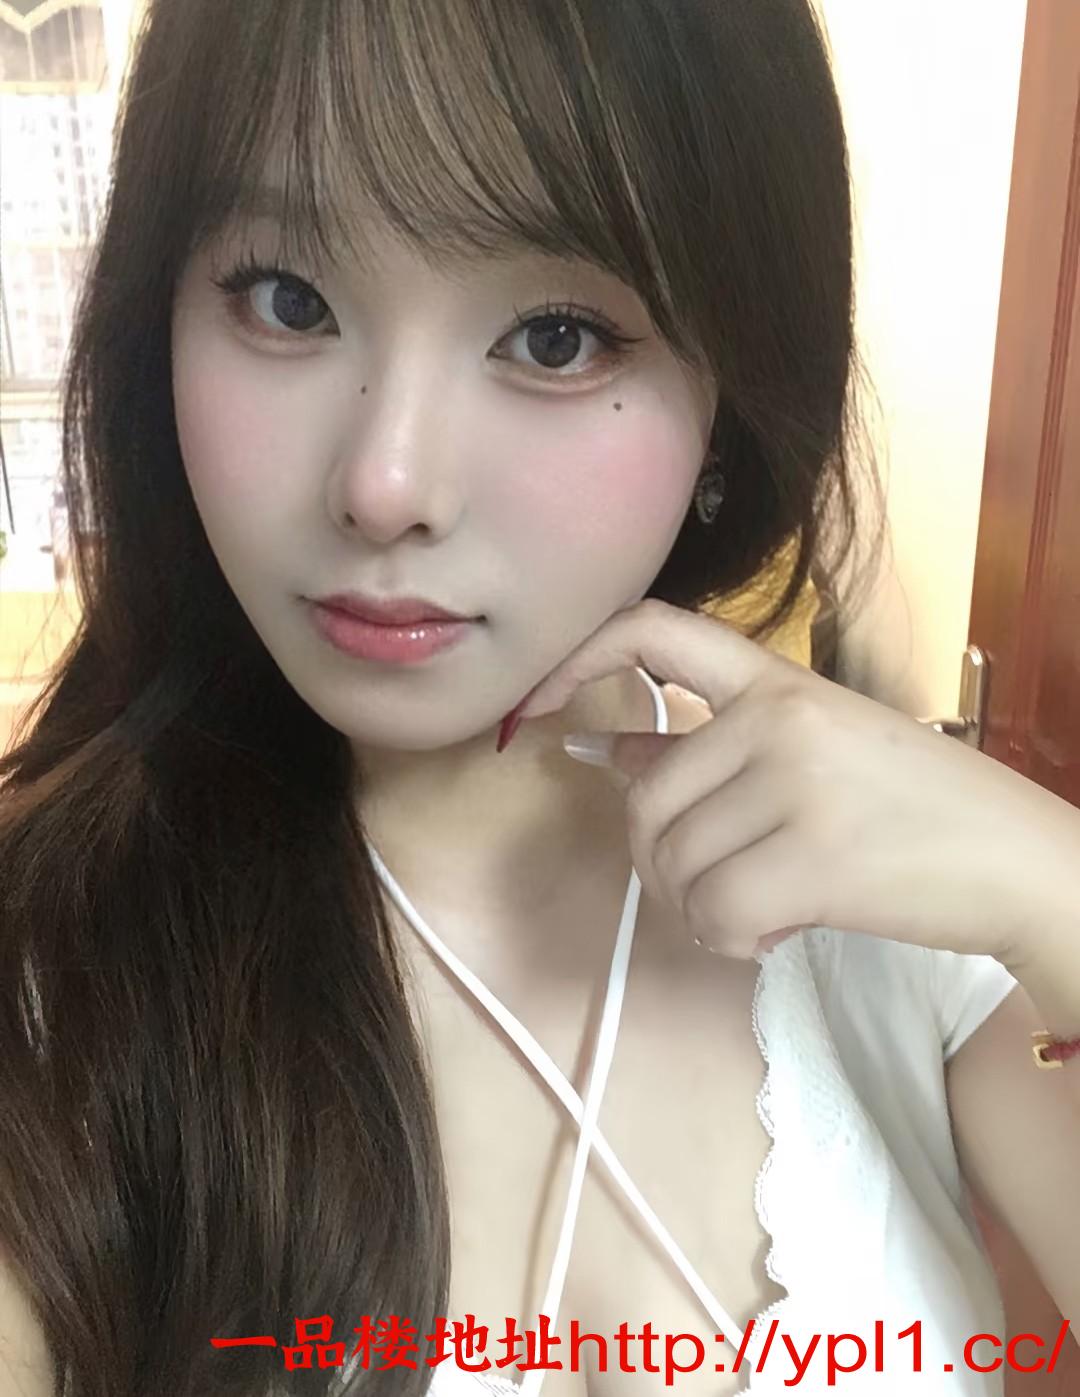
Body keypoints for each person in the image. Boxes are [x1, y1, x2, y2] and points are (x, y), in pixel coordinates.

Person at [0, 2, 1077, 1395]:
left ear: (729, 393)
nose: (386, 483)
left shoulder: (899, 919)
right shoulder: (55, 982)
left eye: (557, 337)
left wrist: (1051, 884)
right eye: (287, 299)